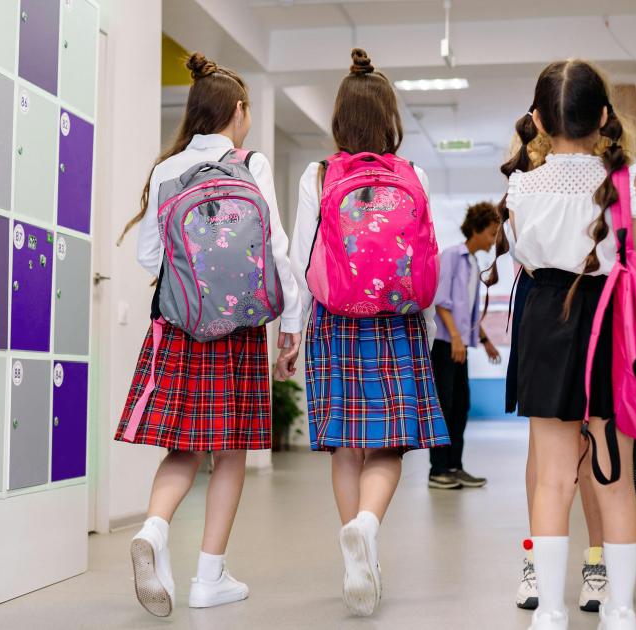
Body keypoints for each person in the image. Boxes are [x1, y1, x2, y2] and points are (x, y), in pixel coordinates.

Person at [113, 52, 302, 617]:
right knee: (231, 452)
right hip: (239, 330)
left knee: (183, 446)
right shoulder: (251, 164)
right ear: (238, 111)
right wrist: (290, 325)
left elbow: (149, 254)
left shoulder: (167, 169)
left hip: (181, 326)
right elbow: (275, 249)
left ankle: (153, 528)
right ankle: (209, 577)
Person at [281, 48, 448, 617]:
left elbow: (303, 260)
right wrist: (426, 323)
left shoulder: (318, 174)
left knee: (346, 446)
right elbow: (424, 257)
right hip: (398, 321)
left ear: (338, 117)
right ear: (390, 117)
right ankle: (368, 528)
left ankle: (356, 555)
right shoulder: (414, 175)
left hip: (335, 320)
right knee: (390, 443)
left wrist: (293, 330)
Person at [497, 59, 636, 630]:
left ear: (538, 121)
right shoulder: (621, 182)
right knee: (614, 476)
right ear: (604, 116)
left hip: (544, 322)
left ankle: (550, 610)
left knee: (552, 477)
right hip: (609, 323)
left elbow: (521, 255)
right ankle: (621, 609)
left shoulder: (521, 185)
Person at [496, 156, 610, 615]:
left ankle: (598, 560)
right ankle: (537, 560)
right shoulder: (527, 176)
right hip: (543, 298)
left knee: (593, 444)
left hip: (597, 299)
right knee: (543, 450)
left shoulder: (605, 170)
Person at [427, 202, 502, 490]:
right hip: (445, 344)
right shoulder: (452, 256)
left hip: (459, 345)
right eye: (492, 233)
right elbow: (441, 300)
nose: (493, 240)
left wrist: (484, 340)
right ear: (477, 229)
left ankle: (454, 466)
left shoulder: (472, 263)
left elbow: (467, 312)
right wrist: (456, 338)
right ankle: (438, 470)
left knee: (460, 406)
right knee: (444, 406)